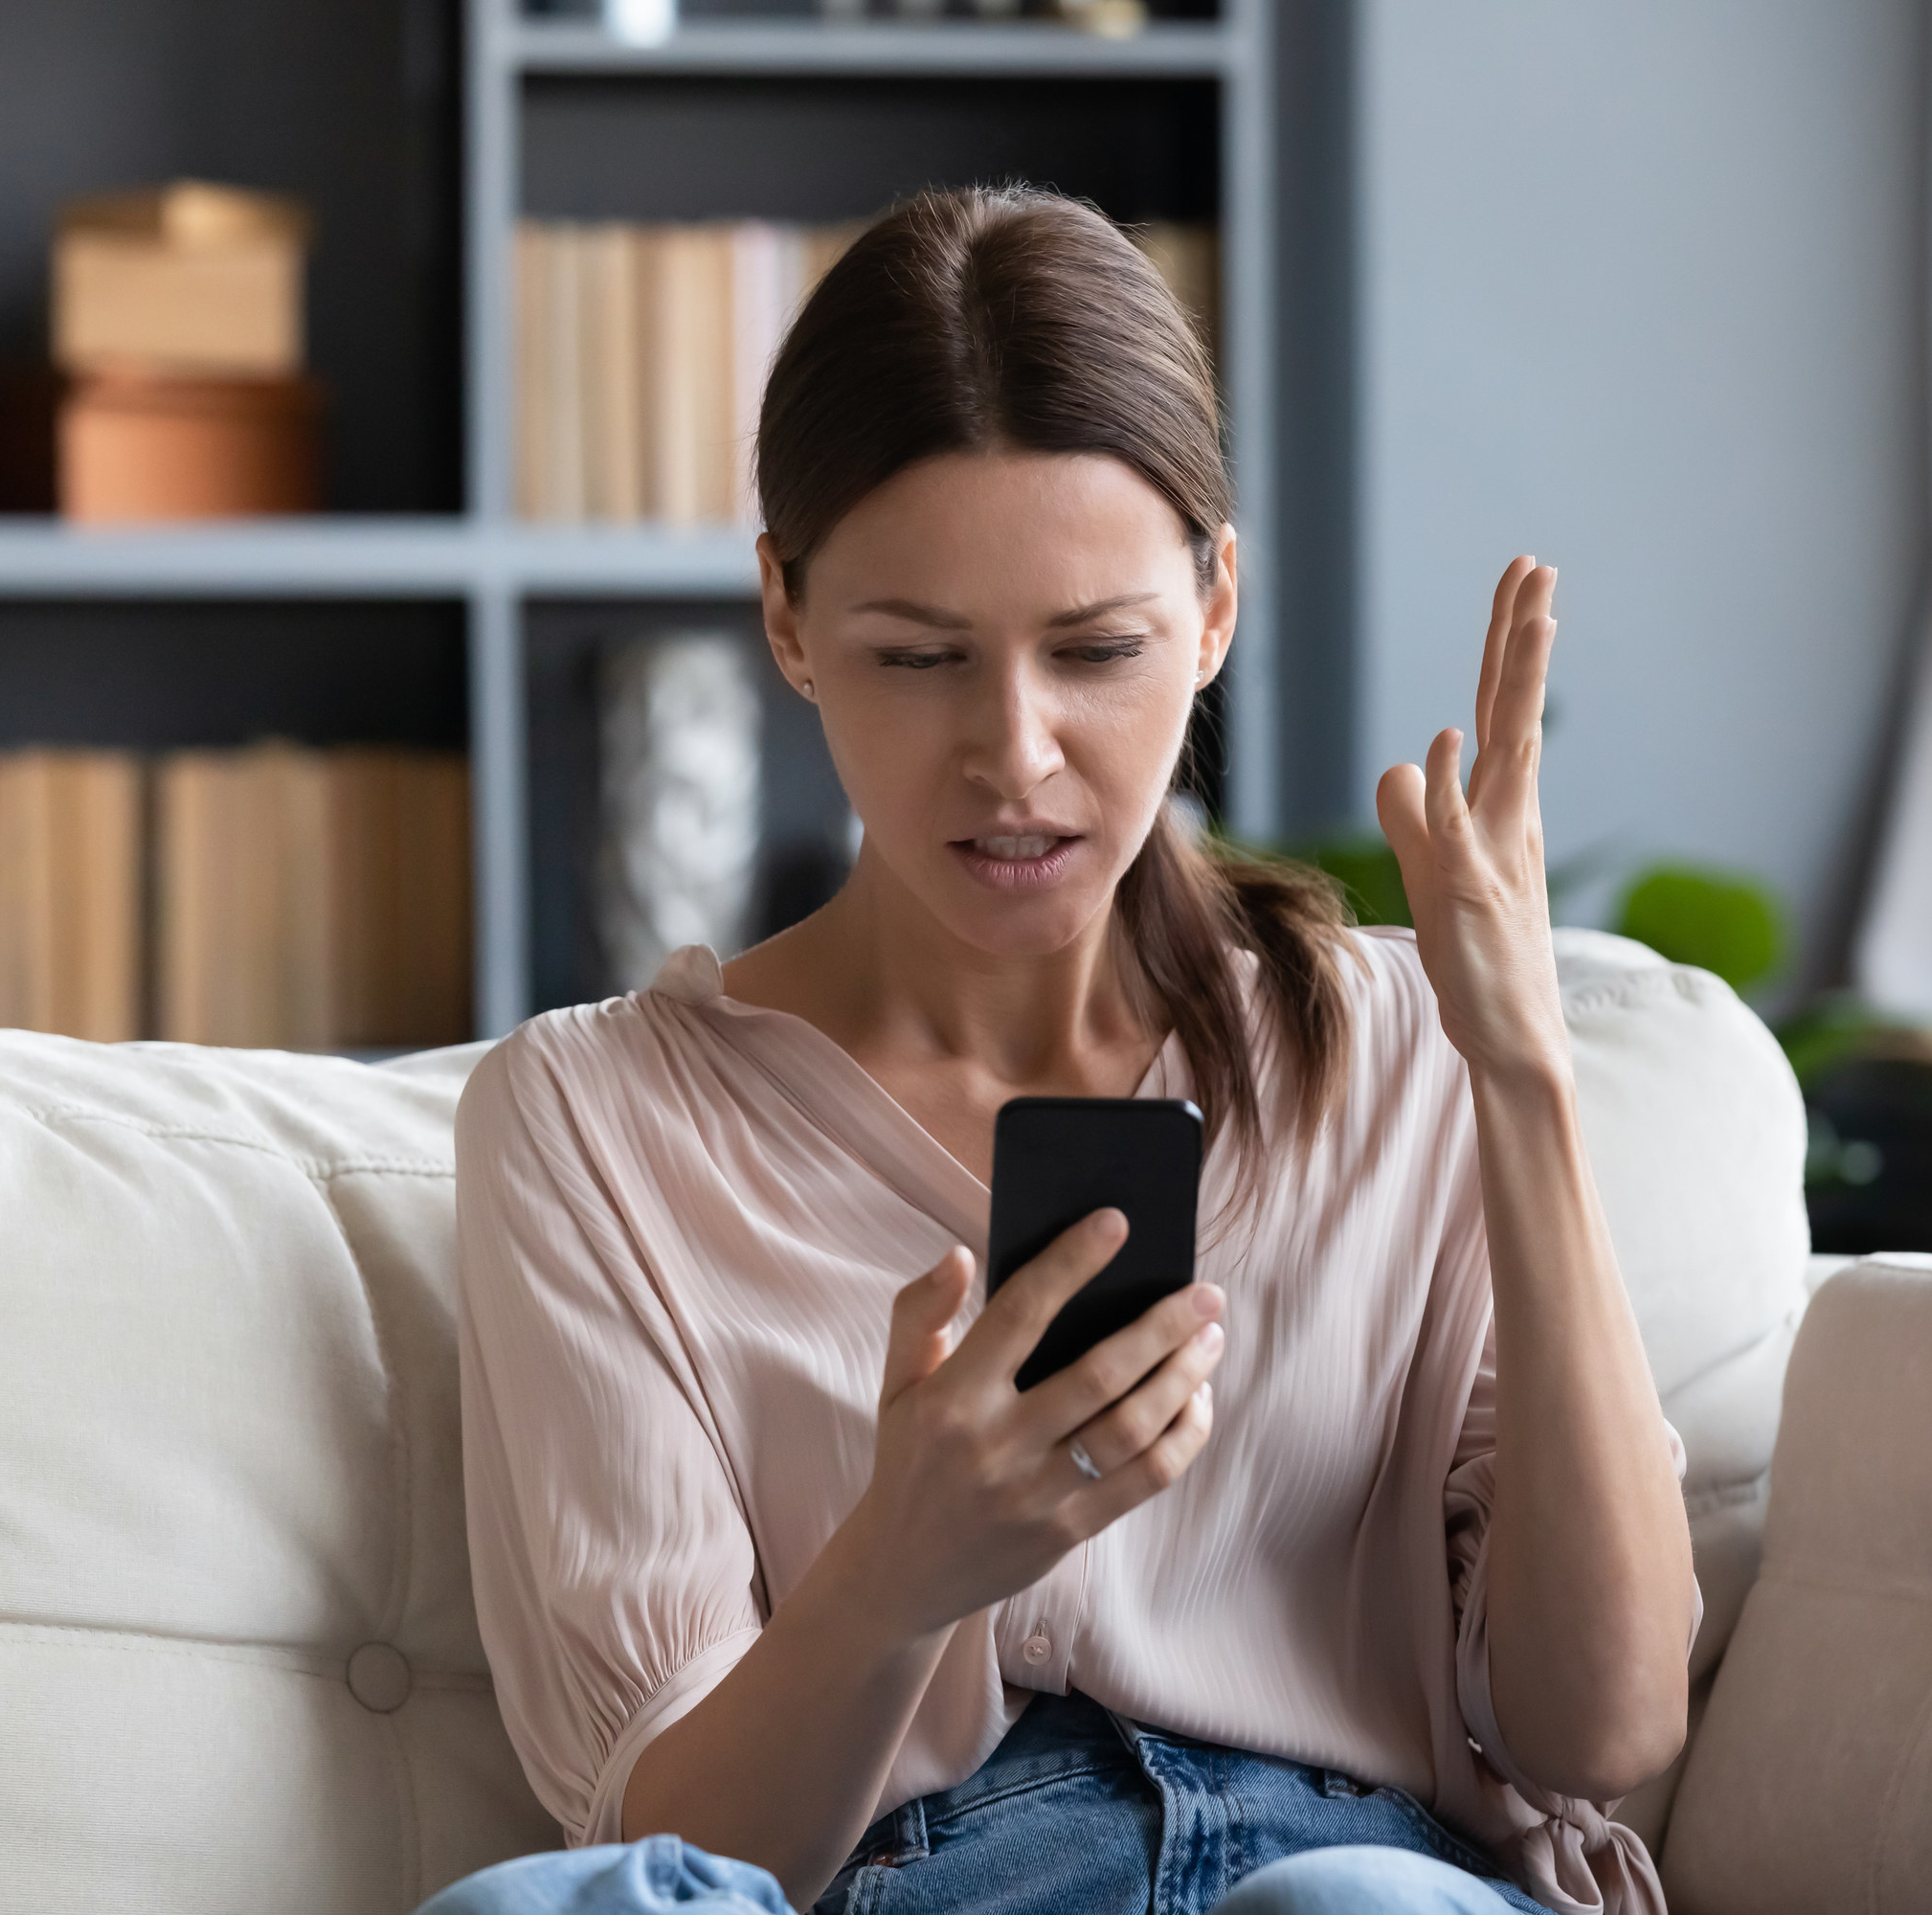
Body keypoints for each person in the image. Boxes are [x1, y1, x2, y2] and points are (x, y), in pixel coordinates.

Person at [439, 185, 1698, 1915]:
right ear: (790, 622)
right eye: (919, 656)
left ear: (1213, 610)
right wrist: (901, 1570)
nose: (1014, 755)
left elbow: (1606, 1724)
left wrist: (1528, 1083)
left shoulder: (1407, 1051)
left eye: (1098, 651)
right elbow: (665, 1857)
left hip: (1346, 1873)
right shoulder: (591, 1121)